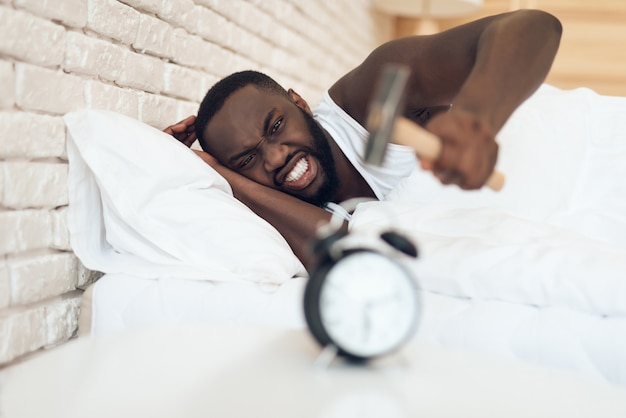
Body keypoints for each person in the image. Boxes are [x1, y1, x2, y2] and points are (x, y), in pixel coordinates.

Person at [164, 10, 562, 269]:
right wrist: (220, 176)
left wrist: (477, 118)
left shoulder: (372, 101)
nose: (275, 157)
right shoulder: (280, 205)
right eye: (247, 159)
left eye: (275, 127)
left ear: (299, 102)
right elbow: (346, 256)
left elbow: (533, 28)